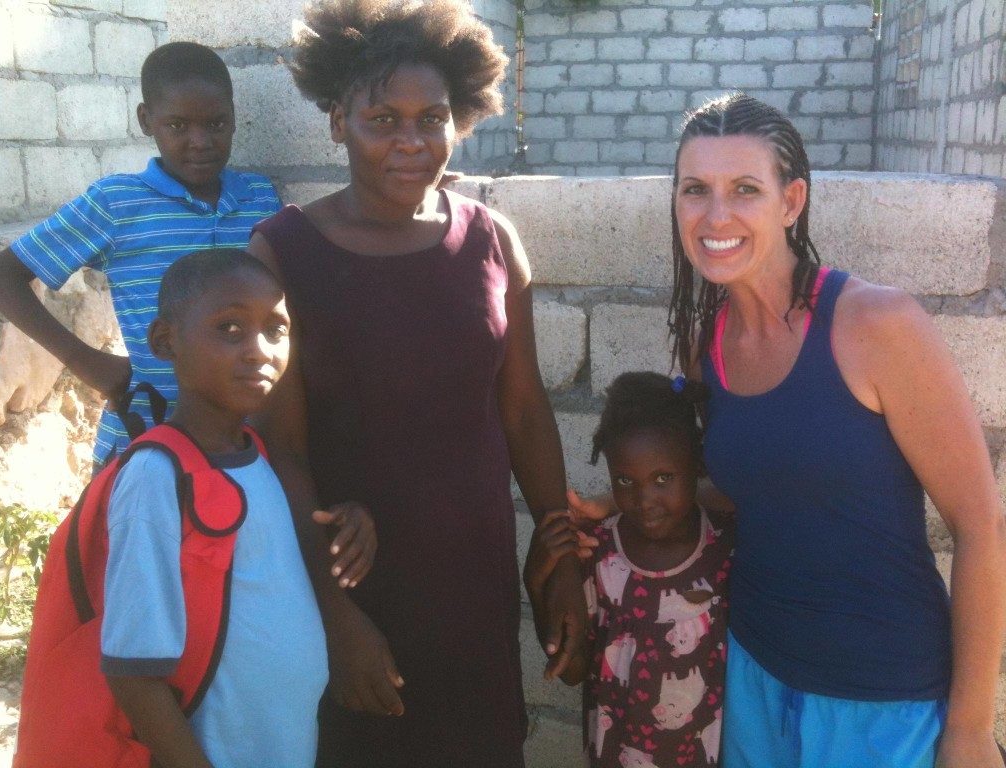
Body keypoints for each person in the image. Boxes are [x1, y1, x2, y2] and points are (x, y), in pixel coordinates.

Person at [570, 92, 1006, 768]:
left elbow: (980, 525)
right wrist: (610, 508)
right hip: (751, 676)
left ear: (791, 201)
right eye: (695, 190)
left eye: (745, 189)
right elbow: (759, 488)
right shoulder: (706, 343)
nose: (716, 216)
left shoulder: (875, 325)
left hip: (883, 699)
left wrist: (972, 728)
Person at [246, 1, 585, 765]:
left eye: (431, 119)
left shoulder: (492, 240)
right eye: (382, 119)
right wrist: (335, 618)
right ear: (338, 121)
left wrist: (560, 560)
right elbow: (282, 450)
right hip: (360, 589)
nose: (410, 142)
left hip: (474, 586)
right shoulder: (282, 254)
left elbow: (526, 413)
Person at [0, 42, 282, 473]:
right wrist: (87, 362)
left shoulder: (259, 197)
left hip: (246, 444)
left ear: (235, 118)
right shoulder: (118, 202)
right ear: (146, 121)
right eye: (178, 125)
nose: (200, 142)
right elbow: (1, 276)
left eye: (216, 123)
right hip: (146, 440)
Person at [101, 249, 326, 767]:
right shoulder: (158, 476)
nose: (258, 350)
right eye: (229, 328)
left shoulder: (255, 454)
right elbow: (132, 672)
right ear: (165, 342)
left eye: (276, 330)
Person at [526, 371, 734, 767]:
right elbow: (571, 672)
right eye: (624, 480)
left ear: (699, 465)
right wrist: (536, 583)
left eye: (663, 478)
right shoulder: (599, 553)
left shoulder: (726, 547)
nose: (644, 500)